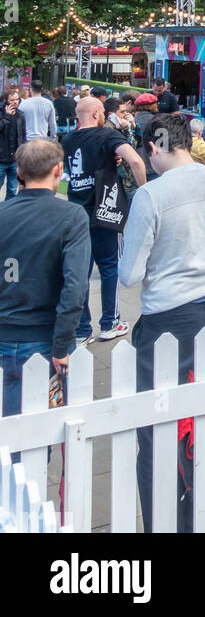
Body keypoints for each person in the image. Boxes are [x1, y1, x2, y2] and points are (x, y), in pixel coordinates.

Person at [119, 111, 205, 532]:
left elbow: (129, 274)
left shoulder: (151, 196)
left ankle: (164, 522)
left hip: (167, 316)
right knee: (199, 416)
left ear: (154, 147)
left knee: (157, 432)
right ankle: (199, 510)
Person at [0, 138, 91, 417]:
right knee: (42, 430)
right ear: (58, 169)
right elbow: (75, 286)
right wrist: (62, 344)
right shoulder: (72, 216)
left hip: (7, 331)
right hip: (44, 337)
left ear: (19, 172)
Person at [62, 95, 147, 344]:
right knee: (110, 267)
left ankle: (82, 329)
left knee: (81, 273)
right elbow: (135, 160)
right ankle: (110, 322)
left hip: (77, 213)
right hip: (104, 210)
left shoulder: (67, 139)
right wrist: (145, 192)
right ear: (98, 114)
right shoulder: (107, 136)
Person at [0, 89, 26, 201]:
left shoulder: (20, 115)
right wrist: (6, 117)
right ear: (6, 101)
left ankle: (6, 215)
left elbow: (23, 136)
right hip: (1, 158)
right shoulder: (1, 113)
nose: (15, 102)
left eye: (17, 99)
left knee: (12, 190)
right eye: (12, 100)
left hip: (15, 159)